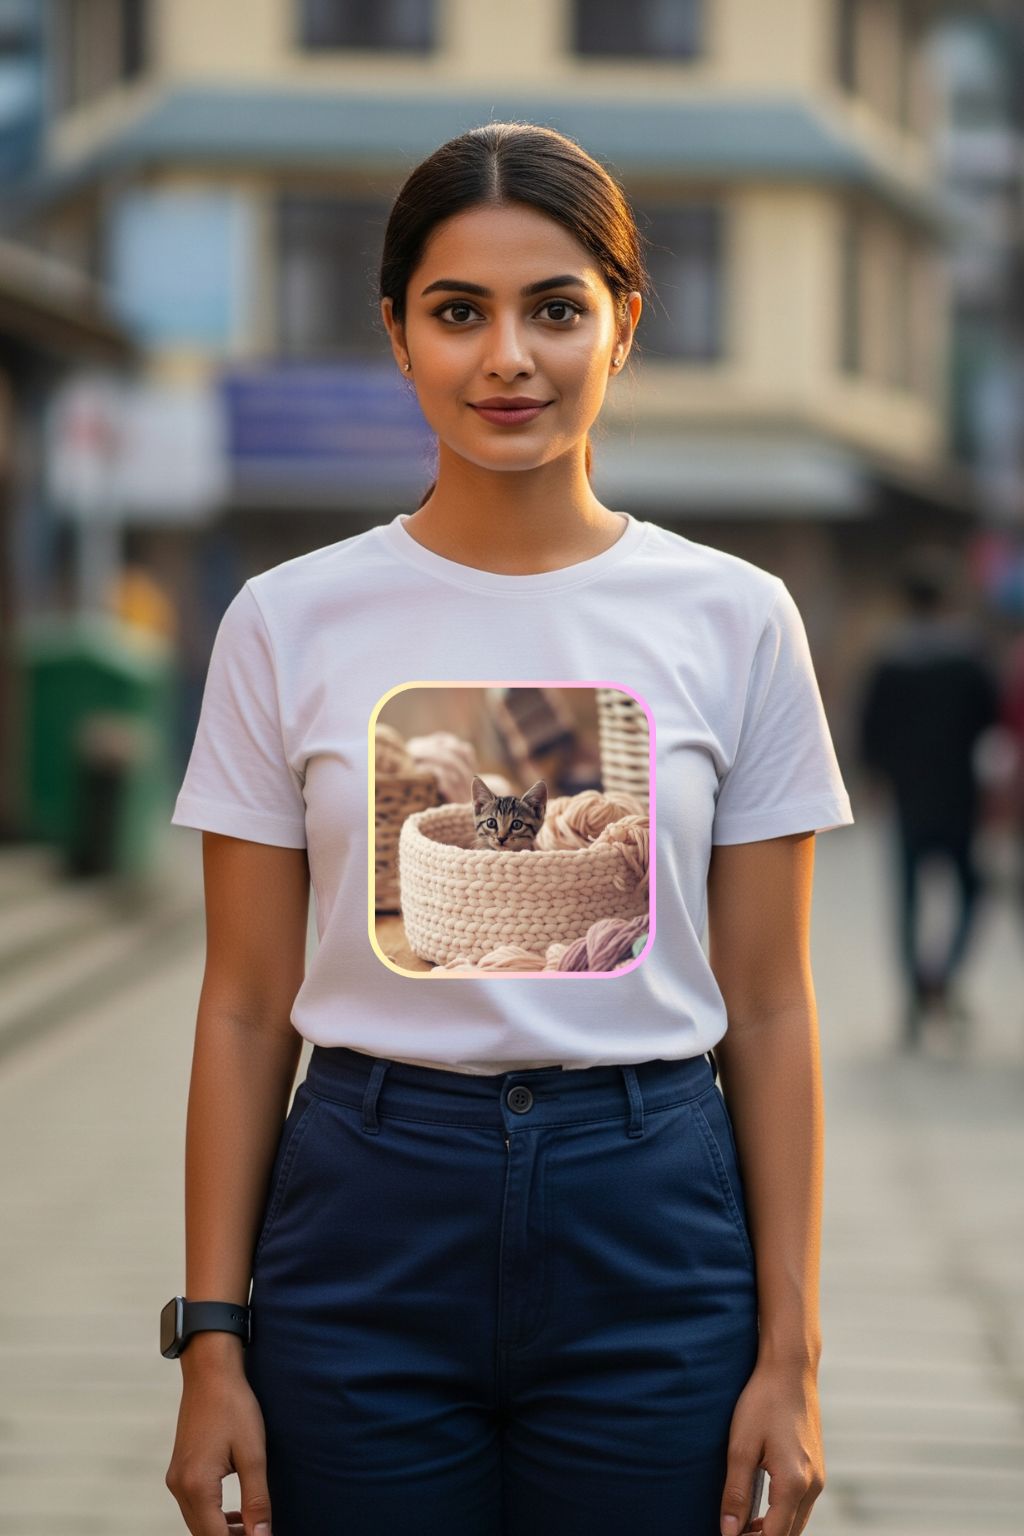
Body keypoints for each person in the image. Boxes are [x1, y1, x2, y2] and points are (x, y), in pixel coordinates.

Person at [162, 122, 854, 1536]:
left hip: (651, 1216)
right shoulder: (286, 621)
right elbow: (241, 1008)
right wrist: (213, 1340)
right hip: (364, 1214)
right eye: (458, 312)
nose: (508, 360)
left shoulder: (737, 618)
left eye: (556, 309)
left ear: (624, 325)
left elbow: (773, 1008)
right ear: (398, 333)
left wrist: (792, 1357)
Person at [856, 544, 1001, 1047]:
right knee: (973, 891)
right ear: (946, 598)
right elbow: (991, 719)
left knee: (909, 902)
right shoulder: (968, 655)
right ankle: (942, 975)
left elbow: (869, 727)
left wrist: (876, 777)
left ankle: (915, 997)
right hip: (959, 794)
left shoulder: (889, 657)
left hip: (907, 797)